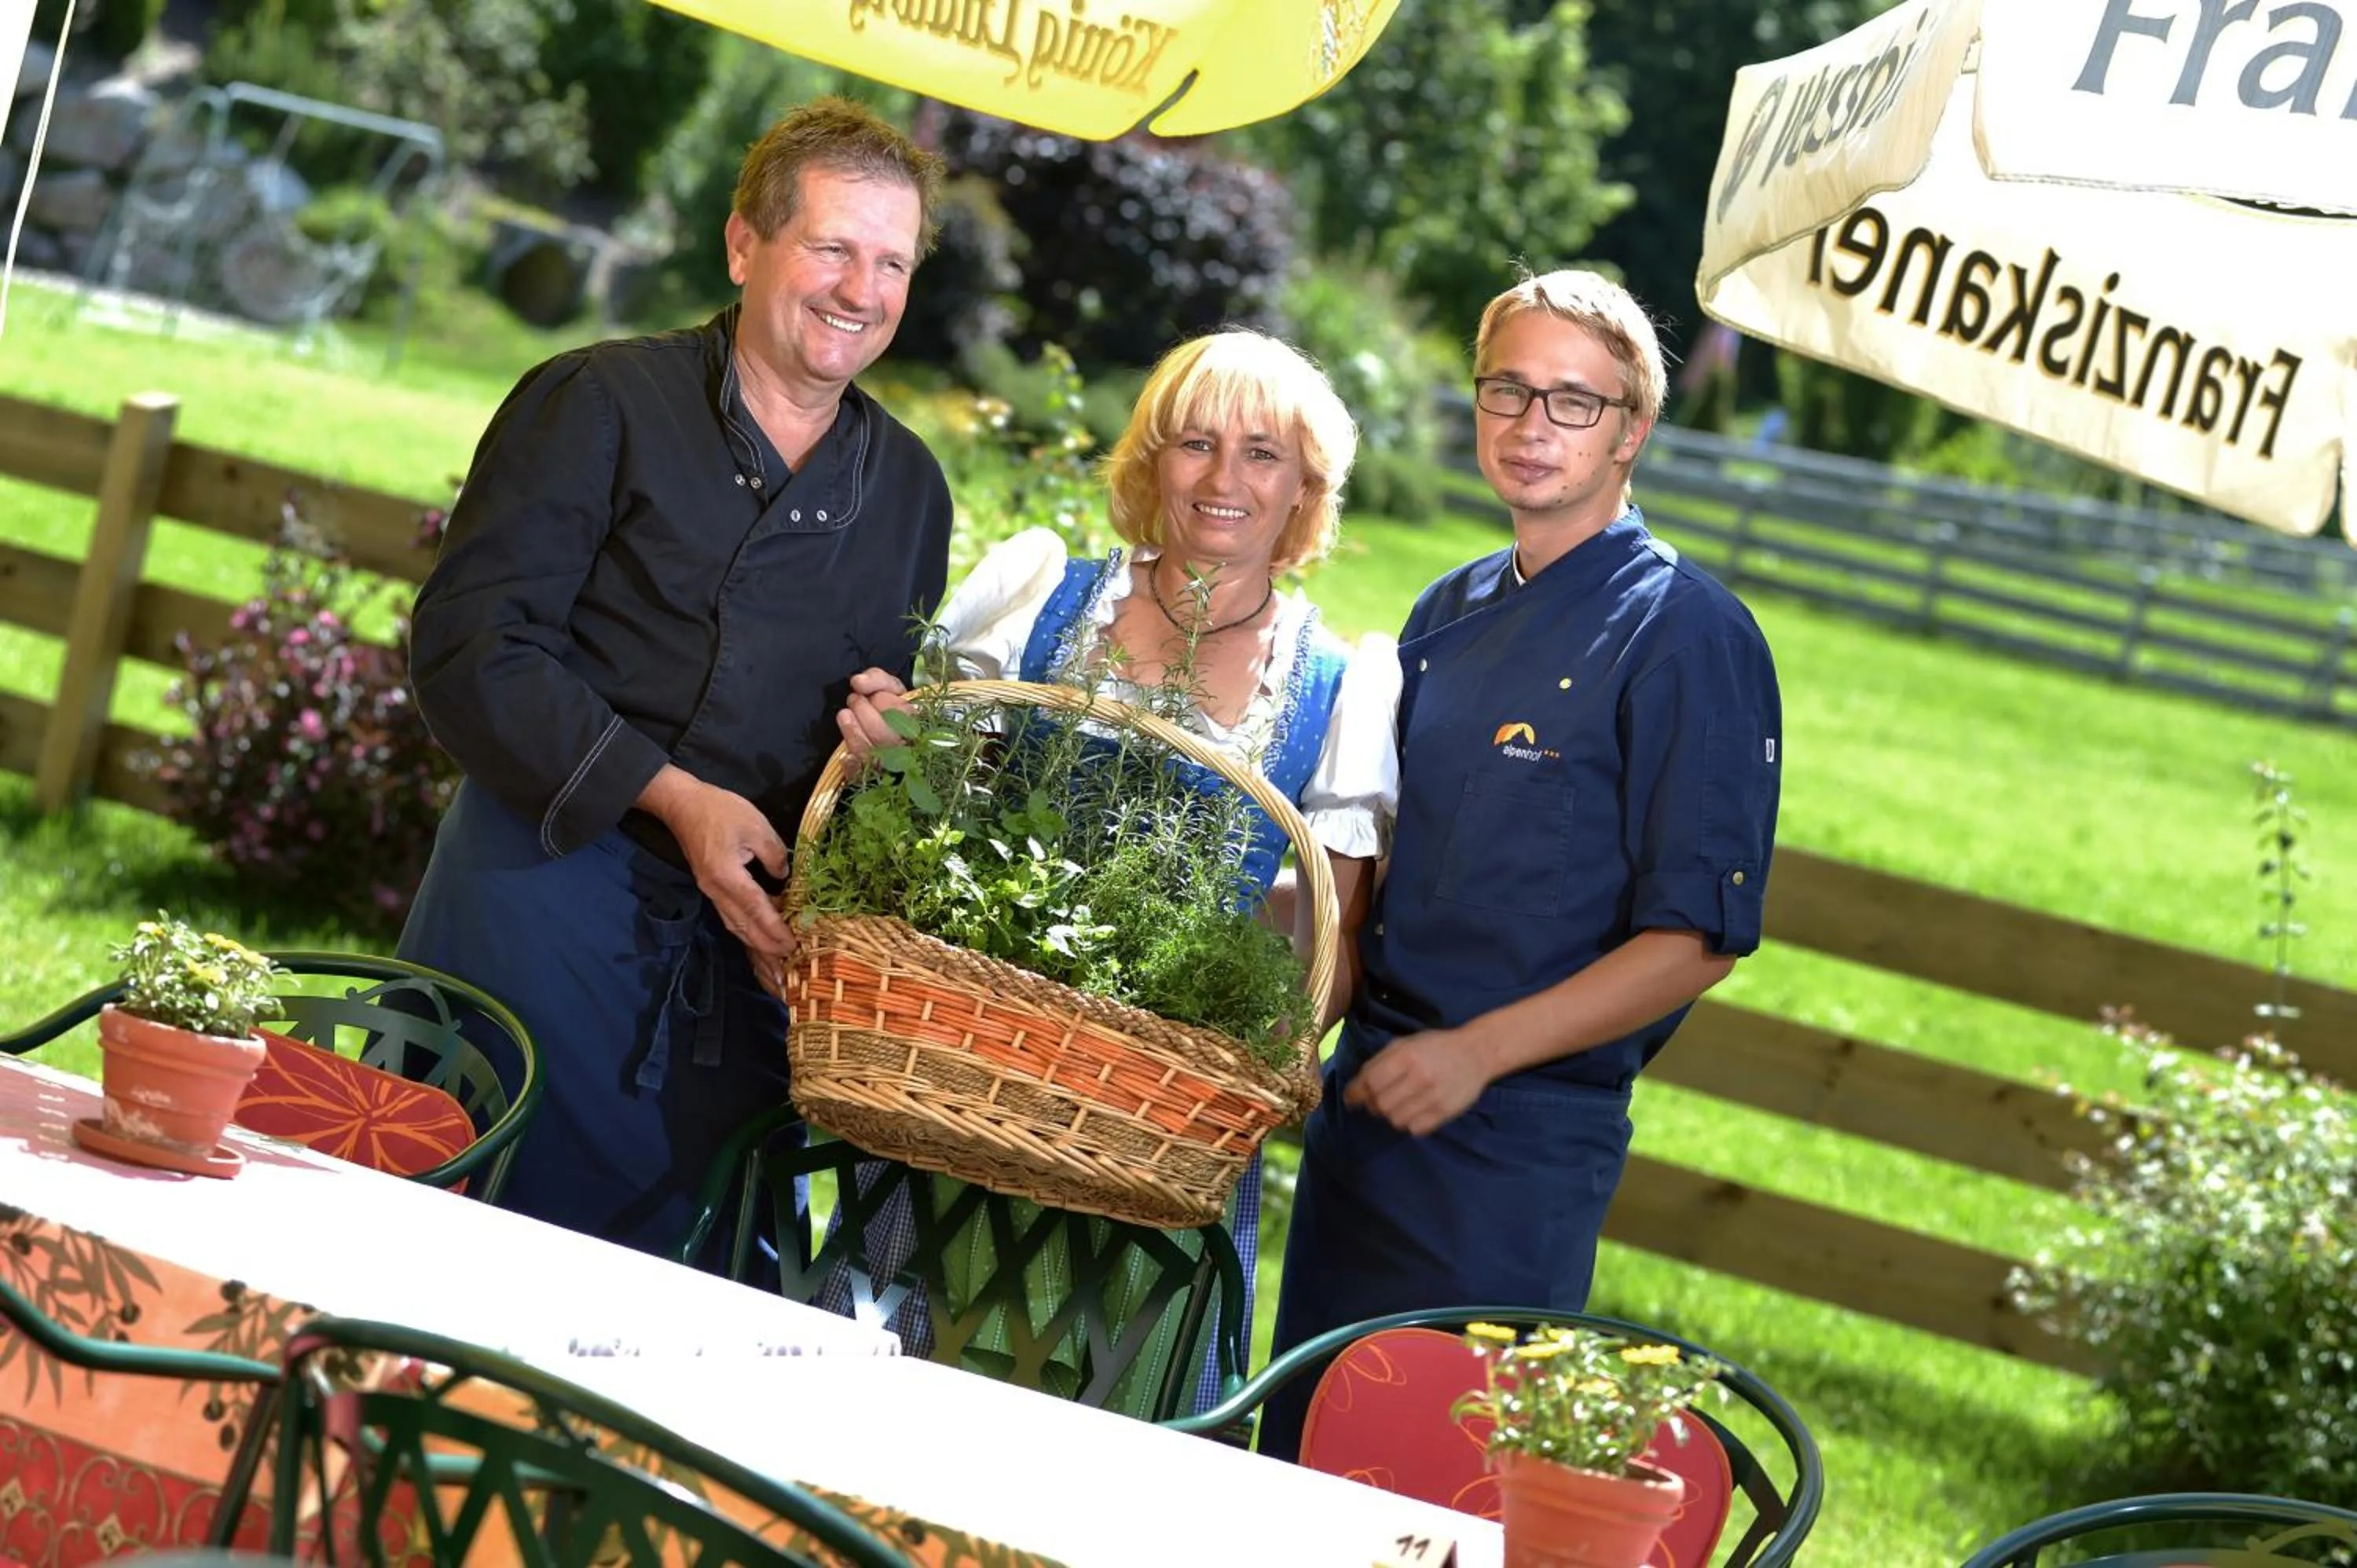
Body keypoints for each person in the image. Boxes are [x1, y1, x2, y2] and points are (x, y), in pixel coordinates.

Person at [397, 99, 954, 1257]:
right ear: (745, 245)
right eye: (833, 248)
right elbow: (472, 650)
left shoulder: (908, 488)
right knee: (449, 1260)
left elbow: (860, 737)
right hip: (539, 905)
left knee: (659, 1322)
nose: (862, 289)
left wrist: (887, 751)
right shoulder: (596, 402)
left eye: (891, 262)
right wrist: (673, 796)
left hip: (729, 978)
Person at [1260, 269, 1783, 1460]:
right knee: (1303, 1460)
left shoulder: (1689, 635)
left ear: (1633, 431)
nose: (1532, 426)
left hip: (1515, 1145)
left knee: (1432, 1485)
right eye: (1508, 390)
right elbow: (1387, 869)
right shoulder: (1450, 605)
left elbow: (1699, 939)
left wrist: (1476, 1053)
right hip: (1367, 1110)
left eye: (1573, 402)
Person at [832, 328, 1393, 1414]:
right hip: (965, 1076)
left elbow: (1330, 939)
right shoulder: (1044, 599)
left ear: (1304, 491)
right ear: (1151, 462)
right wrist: (900, 750)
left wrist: (1254, 1073)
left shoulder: (1340, 684)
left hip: (1157, 1129)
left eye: (1263, 454)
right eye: (1196, 443)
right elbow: (925, 820)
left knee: (1103, 1423)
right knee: (888, 1399)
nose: (1225, 479)